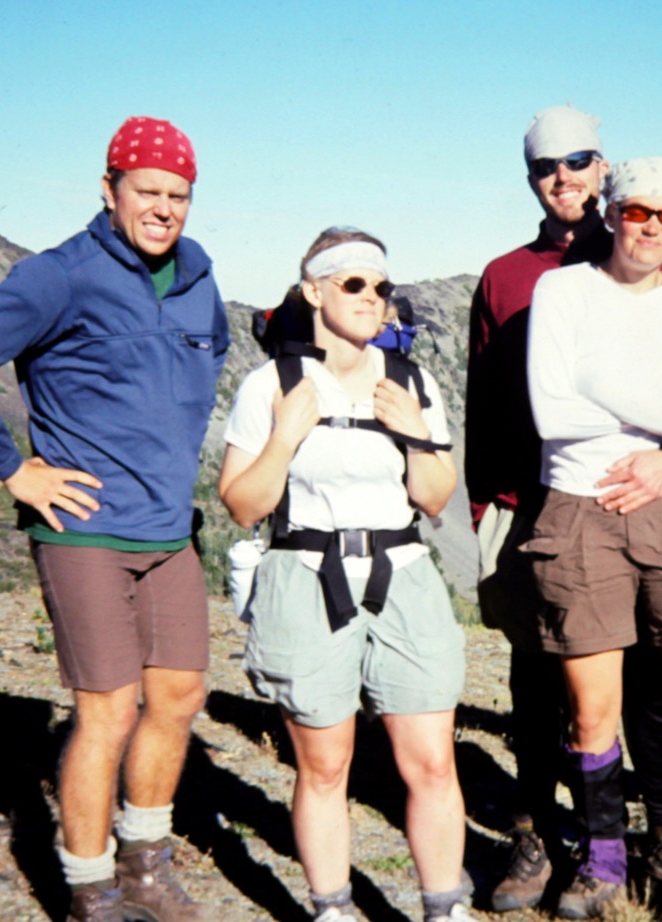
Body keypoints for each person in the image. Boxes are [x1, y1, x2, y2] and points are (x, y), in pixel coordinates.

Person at [0, 116, 225, 922]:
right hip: (86, 528)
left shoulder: (197, 278)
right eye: (147, 191)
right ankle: (89, 888)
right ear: (109, 188)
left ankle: (145, 864)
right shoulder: (60, 275)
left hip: (168, 530)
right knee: (108, 709)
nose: (164, 208)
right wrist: (15, 469)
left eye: (178, 196)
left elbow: (208, 359)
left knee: (182, 695)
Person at [465, 105, 662, 912]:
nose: (562, 177)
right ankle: (538, 835)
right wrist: (483, 505)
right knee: (534, 676)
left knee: (647, 680)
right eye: (545, 167)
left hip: (636, 499)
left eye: (579, 161)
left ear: (605, 169)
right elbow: (486, 401)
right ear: (531, 178)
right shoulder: (505, 277)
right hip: (533, 504)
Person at [219, 228, 471, 922]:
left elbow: (436, 496)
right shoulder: (273, 385)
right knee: (326, 767)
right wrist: (284, 437)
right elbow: (242, 503)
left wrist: (416, 431)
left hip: (402, 573)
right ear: (313, 291)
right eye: (353, 283)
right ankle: (332, 909)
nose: (372, 298)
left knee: (431, 763)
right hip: (305, 573)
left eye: (382, 286)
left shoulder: (411, 382)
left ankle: (443, 908)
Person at [525, 156, 662, 921]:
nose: (653, 227)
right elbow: (551, 415)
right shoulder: (562, 289)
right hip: (579, 511)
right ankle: (604, 863)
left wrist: (655, 439)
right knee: (591, 713)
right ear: (612, 212)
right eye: (639, 211)